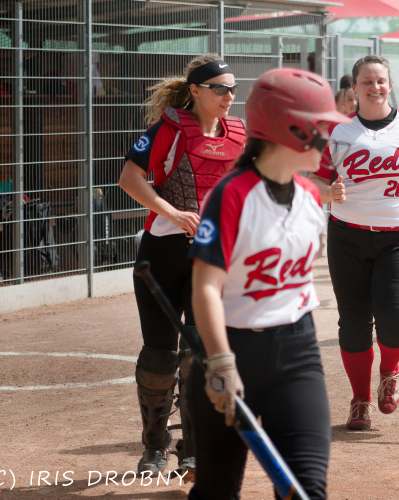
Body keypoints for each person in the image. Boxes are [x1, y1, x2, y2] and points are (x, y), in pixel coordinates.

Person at [187, 67, 350, 500]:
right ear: (291, 129)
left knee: (306, 490)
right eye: (320, 128)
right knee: (217, 493)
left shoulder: (310, 196)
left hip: (297, 353)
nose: (327, 140)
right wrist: (220, 362)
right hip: (231, 350)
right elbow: (205, 287)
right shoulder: (232, 193)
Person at [118, 54, 245, 479]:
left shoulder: (239, 134)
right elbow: (129, 179)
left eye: (232, 88)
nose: (229, 96)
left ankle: (192, 449)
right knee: (159, 357)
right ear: (195, 90)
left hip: (210, 258)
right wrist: (171, 211)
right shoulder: (169, 129)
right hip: (163, 254)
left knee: (199, 353)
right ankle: (155, 443)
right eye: (219, 88)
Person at [311, 55, 399, 430]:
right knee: (353, 325)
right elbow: (314, 182)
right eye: (367, 82)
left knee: (395, 319)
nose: (375, 87)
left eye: (381, 81)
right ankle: (360, 399)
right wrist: (328, 192)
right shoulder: (336, 131)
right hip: (347, 237)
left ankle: (390, 370)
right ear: (354, 88)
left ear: (390, 85)